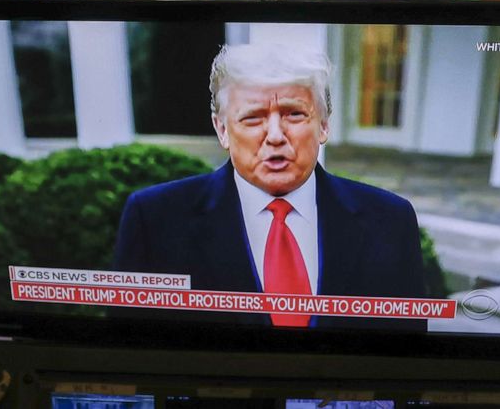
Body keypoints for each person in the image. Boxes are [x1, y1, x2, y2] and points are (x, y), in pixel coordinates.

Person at [113, 42, 426, 329]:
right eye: (253, 118)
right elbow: (131, 358)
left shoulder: (390, 221)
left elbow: (407, 364)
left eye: (294, 114)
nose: (275, 135)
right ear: (222, 129)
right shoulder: (155, 221)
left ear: (324, 124)